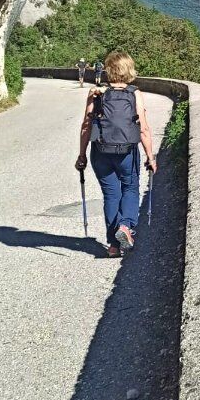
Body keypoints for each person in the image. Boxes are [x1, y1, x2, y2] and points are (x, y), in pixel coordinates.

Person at [75, 51, 157, 258]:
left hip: (100, 152)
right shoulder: (134, 93)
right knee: (130, 188)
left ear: (107, 70)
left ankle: (113, 246)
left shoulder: (96, 93)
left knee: (111, 195)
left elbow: (86, 126)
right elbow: (144, 129)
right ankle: (126, 226)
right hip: (127, 152)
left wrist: (81, 155)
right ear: (129, 69)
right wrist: (150, 156)